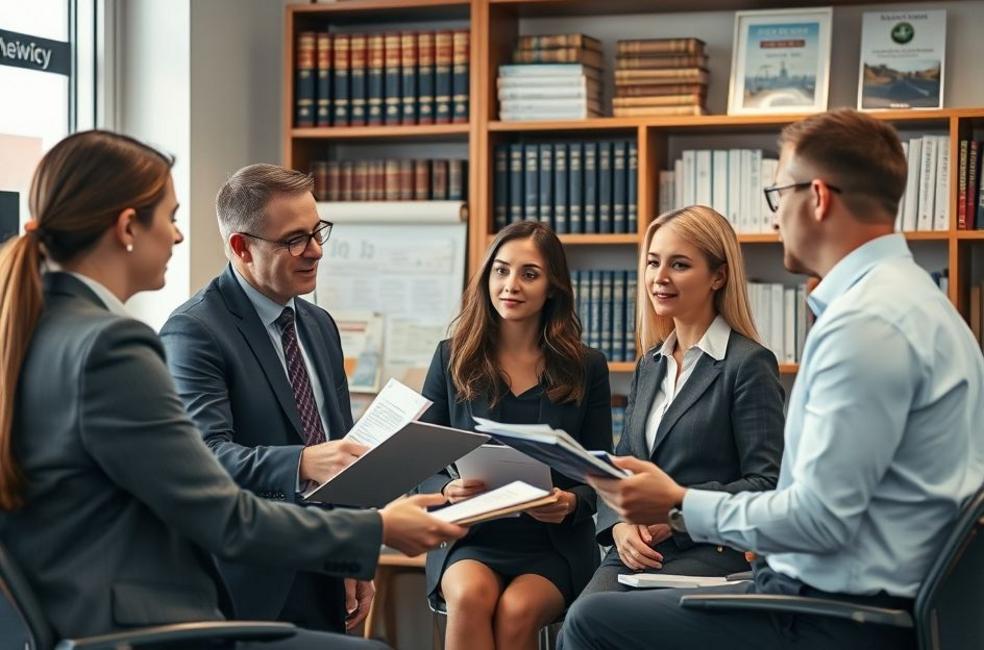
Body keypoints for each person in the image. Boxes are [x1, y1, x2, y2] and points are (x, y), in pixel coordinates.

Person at [0, 130, 466, 649]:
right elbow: (221, 512)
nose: (178, 237)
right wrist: (376, 531)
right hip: (148, 621)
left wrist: (354, 545)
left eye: (318, 233)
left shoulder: (33, 329)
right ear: (128, 226)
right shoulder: (115, 345)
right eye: (171, 217)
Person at [562, 108, 984, 650]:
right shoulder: (919, 305)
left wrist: (677, 504)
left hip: (831, 616)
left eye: (777, 194)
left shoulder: (865, 325)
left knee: (590, 624)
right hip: (847, 601)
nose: (775, 217)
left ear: (818, 197)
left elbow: (817, 520)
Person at [160, 163, 371, 632]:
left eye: (318, 231)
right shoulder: (194, 331)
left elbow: (339, 443)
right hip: (252, 577)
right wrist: (302, 462)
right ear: (241, 247)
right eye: (295, 239)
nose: (315, 250)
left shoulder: (318, 325)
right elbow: (204, 458)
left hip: (328, 559)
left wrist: (355, 552)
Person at [417, 221, 612, 650]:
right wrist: (447, 488)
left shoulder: (587, 367)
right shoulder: (451, 357)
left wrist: (571, 503)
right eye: (501, 271)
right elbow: (421, 462)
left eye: (529, 274)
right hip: (472, 537)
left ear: (553, 287)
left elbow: (602, 475)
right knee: (470, 598)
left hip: (552, 544)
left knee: (517, 611)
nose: (511, 285)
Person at [578, 205, 784, 600]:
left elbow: (766, 485)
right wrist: (619, 527)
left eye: (680, 264)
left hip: (711, 551)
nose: (660, 277)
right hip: (636, 551)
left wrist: (676, 515)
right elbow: (619, 469)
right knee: (579, 624)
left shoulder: (748, 364)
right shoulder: (650, 364)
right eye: (653, 262)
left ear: (718, 276)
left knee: (600, 622)